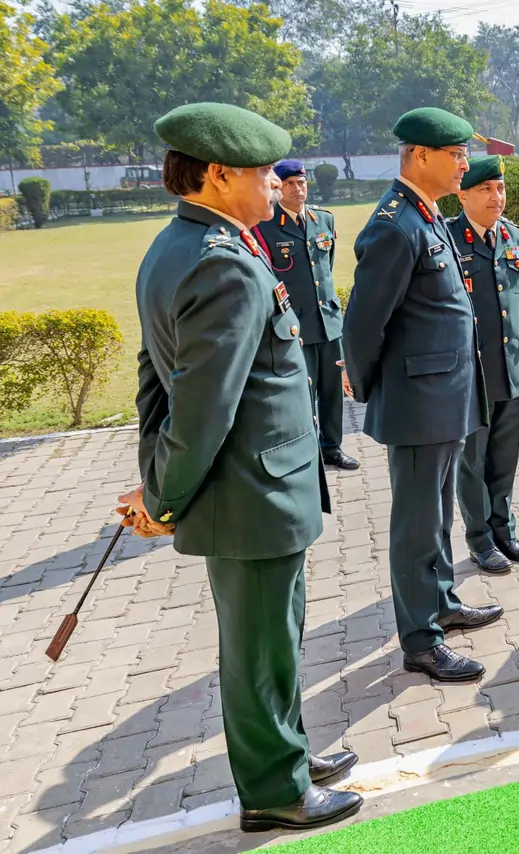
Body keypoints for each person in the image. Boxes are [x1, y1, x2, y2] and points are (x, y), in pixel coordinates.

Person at [117, 101, 362, 832]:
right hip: (248, 492)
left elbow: (154, 379)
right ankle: (273, 791)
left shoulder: (186, 245)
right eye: (260, 172)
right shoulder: (220, 262)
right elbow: (200, 411)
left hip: (256, 490)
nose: (272, 185)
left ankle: (285, 752)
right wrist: (161, 497)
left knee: (277, 637)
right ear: (220, 175)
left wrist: (152, 478)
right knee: (258, 649)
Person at [342, 107, 502, 683]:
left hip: (446, 396)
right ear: (419, 156)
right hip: (416, 402)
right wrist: (363, 386)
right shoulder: (393, 224)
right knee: (415, 524)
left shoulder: (423, 213)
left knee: (435, 516)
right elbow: (363, 324)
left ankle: (440, 603)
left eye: (464, 154)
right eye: (456, 155)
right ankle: (420, 641)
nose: (464, 164)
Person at [445, 155, 519, 575]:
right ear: (462, 194)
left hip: (510, 369)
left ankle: (504, 530)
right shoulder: (447, 240)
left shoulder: (518, 239)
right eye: (485, 189)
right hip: (470, 374)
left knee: (504, 458)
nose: (495, 197)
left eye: (500, 188)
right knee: (473, 463)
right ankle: (480, 540)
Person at [253, 159, 358, 470]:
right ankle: (305, 452)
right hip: (294, 326)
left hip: (328, 321)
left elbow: (324, 269)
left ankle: (332, 448)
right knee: (301, 392)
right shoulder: (266, 226)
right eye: (290, 184)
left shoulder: (323, 220)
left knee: (332, 391)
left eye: (301, 183)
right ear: (278, 187)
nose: (297, 189)